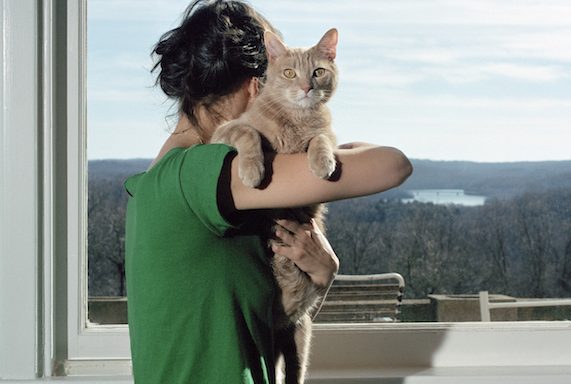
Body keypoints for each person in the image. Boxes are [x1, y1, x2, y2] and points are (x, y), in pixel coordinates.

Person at [123, 1, 412, 383]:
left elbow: (260, 327)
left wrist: (322, 276)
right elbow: (393, 165)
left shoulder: (162, 186)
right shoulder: (203, 175)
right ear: (255, 85)